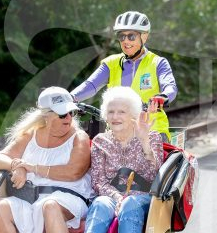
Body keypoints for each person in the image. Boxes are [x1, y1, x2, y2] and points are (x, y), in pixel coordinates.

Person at [0, 87, 94, 233]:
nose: (68, 118)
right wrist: (16, 165)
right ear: (46, 116)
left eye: (71, 112)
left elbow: (74, 172)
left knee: (51, 205)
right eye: (63, 114)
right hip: (35, 198)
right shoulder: (30, 135)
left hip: (71, 197)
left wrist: (32, 168)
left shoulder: (78, 137)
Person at [69, 86, 163, 233]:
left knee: (130, 202)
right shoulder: (101, 141)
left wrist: (144, 140)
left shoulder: (152, 137)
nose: (115, 116)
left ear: (133, 115)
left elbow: (156, 174)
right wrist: (116, 197)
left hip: (142, 197)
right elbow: (98, 181)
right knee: (100, 203)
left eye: (122, 111)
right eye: (111, 112)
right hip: (110, 196)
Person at [71, 11, 178, 141]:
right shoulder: (110, 63)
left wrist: (163, 97)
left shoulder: (157, 63)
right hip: (117, 132)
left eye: (131, 36)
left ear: (144, 37)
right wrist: (70, 97)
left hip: (152, 131)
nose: (125, 41)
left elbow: (170, 86)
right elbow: (91, 85)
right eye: (121, 36)